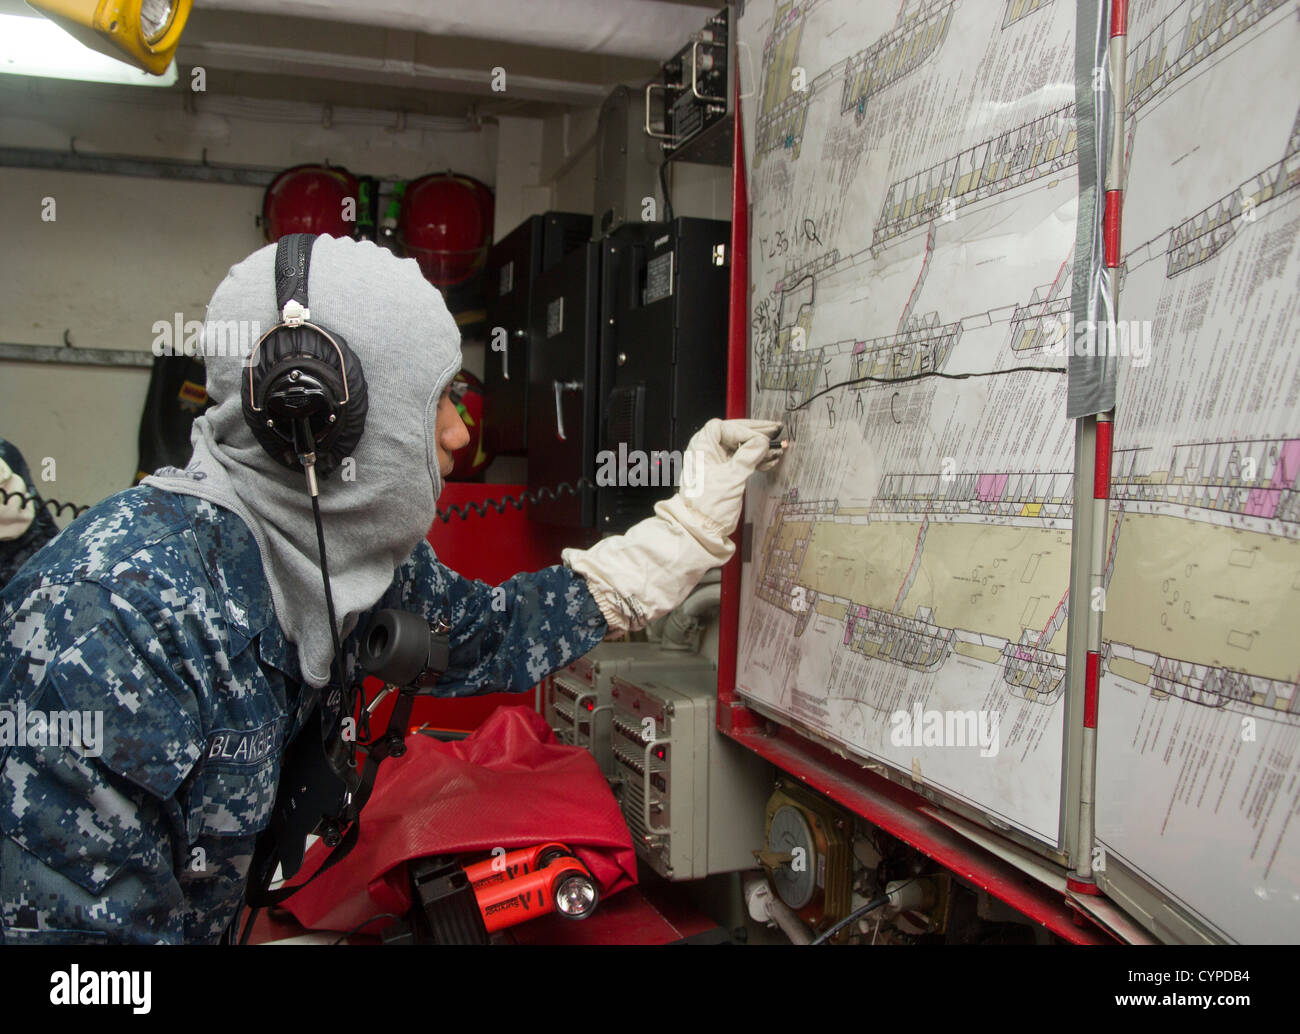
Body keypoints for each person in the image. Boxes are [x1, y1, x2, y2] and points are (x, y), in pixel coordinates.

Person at [0, 235, 781, 944]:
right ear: (315, 420)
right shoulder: (112, 625)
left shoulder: (336, 554)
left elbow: (489, 634)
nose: (459, 435)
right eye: (436, 399)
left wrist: (683, 536)